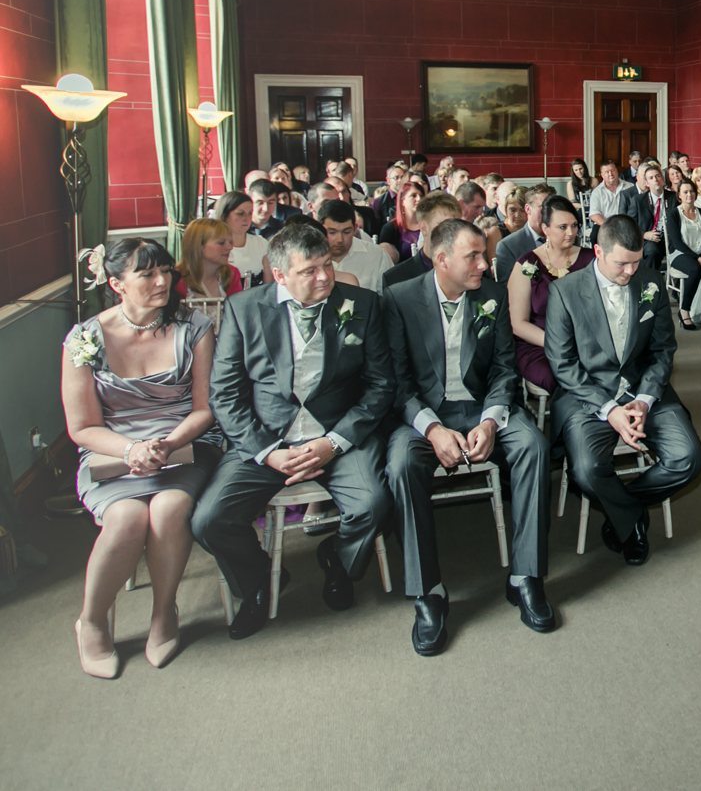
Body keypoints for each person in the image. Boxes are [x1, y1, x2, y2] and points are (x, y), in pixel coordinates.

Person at [192, 224, 394, 640]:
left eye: (326, 265)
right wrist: (267, 452)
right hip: (266, 438)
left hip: (338, 436)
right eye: (309, 271)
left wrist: (332, 442)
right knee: (209, 519)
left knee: (374, 505)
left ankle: (336, 558)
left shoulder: (363, 304)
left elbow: (381, 386)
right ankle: (260, 581)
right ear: (280, 275)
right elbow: (225, 395)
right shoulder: (244, 309)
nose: (324, 277)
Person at [383, 219, 555, 652]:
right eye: (473, 256)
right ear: (441, 259)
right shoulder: (400, 300)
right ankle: (429, 594)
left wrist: (491, 421)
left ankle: (526, 576)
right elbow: (397, 383)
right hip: (425, 415)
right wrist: (433, 428)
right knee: (402, 463)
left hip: (482, 407)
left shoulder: (491, 295)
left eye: (485, 254)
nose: (485, 263)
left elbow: (502, 369)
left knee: (533, 444)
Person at [62, 239, 223, 677]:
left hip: (184, 443)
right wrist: (131, 450)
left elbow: (205, 408)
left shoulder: (196, 327)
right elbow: (82, 427)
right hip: (112, 452)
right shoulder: (85, 339)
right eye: (147, 275)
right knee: (127, 518)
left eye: (166, 272)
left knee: (170, 509)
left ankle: (164, 609)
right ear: (116, 284)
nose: (162, 282)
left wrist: (166, 445)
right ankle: (92, 620)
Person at [545, 215, 701, 566]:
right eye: (622, 263)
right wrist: (609, 409)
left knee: (689, 459)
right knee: (586, 472)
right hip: (589, 396)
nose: (631, 272)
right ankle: (633, 521)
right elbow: (563, 365)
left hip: (642, 390)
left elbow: (662, 349)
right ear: (598, 251)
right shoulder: (565, 291)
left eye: (636, 261)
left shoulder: (650, 281)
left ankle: (624, 507)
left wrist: (645, 400)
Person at [509, 197, 593, 390]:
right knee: (561, 375)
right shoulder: (526, 264)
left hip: (585, 342)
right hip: (538, 344)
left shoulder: (591, 260)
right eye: (562, 227)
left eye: (574, 225)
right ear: (545, 229)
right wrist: (557, 343)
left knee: (600, 370)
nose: (571, 232)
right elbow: (518, 323)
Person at [382, 192, 464, 291]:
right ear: (424, 228)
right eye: (443, 226)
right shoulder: (396, 278)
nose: (452, 232)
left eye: (456, 225)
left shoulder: (469, 272)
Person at [664, 179, 701, 331]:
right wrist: (697, 258)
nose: (689, 194)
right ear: (679, 195)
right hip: (679, 254)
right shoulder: (673, 214)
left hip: (700, 252)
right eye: (685, 192)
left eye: (691, 191)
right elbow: (677, 242)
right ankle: (684, 310)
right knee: (695, 270)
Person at [320, 199, 393, 293]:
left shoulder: (377, 255)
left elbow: (390, 297)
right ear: (320, 229)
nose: (339, 240)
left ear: (355, 229)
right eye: (332, 232)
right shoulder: (308, 258)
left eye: (346, 232)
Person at [493, 184, 553, 279]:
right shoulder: (508, 246)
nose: (549, 213)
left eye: (553, 208)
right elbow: (506, 288)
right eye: (543, 208)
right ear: (528, 209)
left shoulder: (563, 239)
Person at [175, 219, 243, 300]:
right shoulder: (176, 279)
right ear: (198, 245)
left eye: (230, 242)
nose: (230, 247)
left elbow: (239, 310)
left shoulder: (231, 274)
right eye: (221, 243)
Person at [215, 192, 272, 287]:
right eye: (240, 214)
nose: (246, 218)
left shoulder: (261, 243)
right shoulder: (213, 246)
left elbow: (269, 286)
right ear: (224, 216)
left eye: (250, 213)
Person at [638, 165, 677, 270]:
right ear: (646, 183)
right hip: (650, 239)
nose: (655, 180)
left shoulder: (674, 198)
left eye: (657, 176)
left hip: (671, 238)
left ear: (663, 179)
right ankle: (650, 283)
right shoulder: (638, 201)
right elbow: (629, 224)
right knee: (653, 251)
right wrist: (644, 234)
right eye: (651, 178)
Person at [378, 179, 426, 262]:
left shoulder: (429, 226)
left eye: (421, 196)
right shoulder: (390, 229)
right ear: (402, 201)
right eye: (413, 196)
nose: (419, 199)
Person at [588, 160, 640, 230]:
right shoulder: (597, 192)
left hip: (626, 224)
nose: (610, 174)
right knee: (594, 237)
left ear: (617, 171)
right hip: (604, 225)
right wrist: (610, 226)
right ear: (602, 175)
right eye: (607, 172)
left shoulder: (630, 187)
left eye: (612, 170)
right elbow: (594, 214)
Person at [566, 158, 595, 241]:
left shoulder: (594, 181)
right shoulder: (570, 184)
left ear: (584, 168)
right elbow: (572, 203)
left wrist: (591, 208)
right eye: (576, 170)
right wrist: (585, 207)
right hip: (579, 209)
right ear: (573, 171)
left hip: (593, 208)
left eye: (580, 169)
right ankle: (580, 237)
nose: (579, 172)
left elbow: (597, 199)